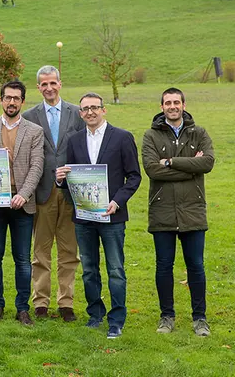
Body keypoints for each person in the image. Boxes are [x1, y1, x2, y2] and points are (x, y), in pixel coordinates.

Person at [55, 92, 141, 339]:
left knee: (115, 268)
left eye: (94, 107)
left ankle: (116, 319)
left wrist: (117, 201)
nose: (90, 112)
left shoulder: (122, 137)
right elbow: (71, 176)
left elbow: (134, 176)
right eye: (85, 109)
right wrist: (61, 179)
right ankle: (95, 314)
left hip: (112, 216)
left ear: (104, 110)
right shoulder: (74, 140)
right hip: (84, 217)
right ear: (80, 114)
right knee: (90, 269)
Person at [141, 88, 214, 337]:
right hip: (162, 211)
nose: (172, 106)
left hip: (193, 210)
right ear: (161, 107)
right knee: (164, 266)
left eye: (176, 102)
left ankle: (200, 318)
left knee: (196, 266)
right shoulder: (150, 135)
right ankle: (167, 316)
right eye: (167, 103)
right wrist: (191, 167)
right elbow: (152, 170)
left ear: (184, 104)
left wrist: (170, 162)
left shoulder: (199, 132)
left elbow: (207, 163)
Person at [21, 65, 85, 321]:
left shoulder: (76, 114)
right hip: (43, 192)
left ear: (60, 83)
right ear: (38, 87)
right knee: (41, 251)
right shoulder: (29, 116)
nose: (49, 88)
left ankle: (66, 302)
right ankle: (41, 302)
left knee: (70, 251)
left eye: (53, 83)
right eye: (43, 84)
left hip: (71, 193)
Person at [0, 80, 44, 326]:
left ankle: (22, 308)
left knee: (22, 258)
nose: (11, 102)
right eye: (7, 98)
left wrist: (25, 193)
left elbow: (37, 166)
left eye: (16, 98)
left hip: (22, 204)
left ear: (22, 101)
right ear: (1, 100)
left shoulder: (34, 131)